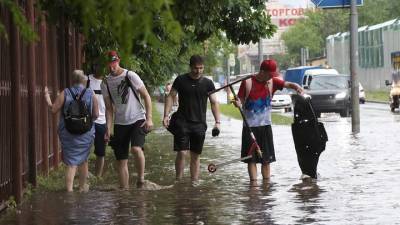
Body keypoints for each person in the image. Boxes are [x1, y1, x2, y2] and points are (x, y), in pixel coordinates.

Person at [233, 59, 303, 184]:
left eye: (273, 75)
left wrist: (296, 87)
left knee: (266, 160)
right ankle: (253, 187)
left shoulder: (272, 82)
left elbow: (288, 84)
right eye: (270, 74)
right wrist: (237, 103)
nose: (272, 77)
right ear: (262, 71)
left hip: (265, 126)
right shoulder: (247, 82)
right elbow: (240, 101)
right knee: (251, 159)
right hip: (250, 127)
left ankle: (266, 187)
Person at [163, 55, 221, 182]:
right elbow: (170, 96)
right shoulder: (181, 80)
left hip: (199, 124)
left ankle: (194, 182)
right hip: (182, 121)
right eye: (196, 68)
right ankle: (178, 181)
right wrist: (166, 115)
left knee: (195, 155)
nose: (198, 71)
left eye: (201, 68)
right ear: (190, 67)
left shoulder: (208, 83)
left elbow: (214, 102)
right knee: (182, 152)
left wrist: (217, 122)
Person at [101, 51, 153, 189]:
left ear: (118, 60)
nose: (112, 67)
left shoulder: (130, 75)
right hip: (120, 123)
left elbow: (146, 96)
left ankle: (141, 179)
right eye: (109, 64)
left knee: (136, 149)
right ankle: (124, 191)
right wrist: (108, 128)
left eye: (114, 63)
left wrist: (149, 119)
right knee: (121, 161)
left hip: (137, 118)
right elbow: (109, 109)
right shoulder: (105, 83)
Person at [44, 70, 99, 192]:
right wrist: (86, 123)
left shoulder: (65, 92)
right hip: (86, 133)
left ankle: (69, 191)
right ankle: (81, 188)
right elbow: (95, 114)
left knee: (71, 163)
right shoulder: (91, 93)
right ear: (84, 80)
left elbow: (53, 109)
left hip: (68, 133)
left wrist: (48, 99)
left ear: (72, 80)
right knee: (83, 161)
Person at [88, 64, 107, 177]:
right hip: (88, 120)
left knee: (101, 152)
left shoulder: (108, 81)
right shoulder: (87, 79)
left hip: (102, 121)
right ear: (94, 66)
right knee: (84, 148)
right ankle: (84, 174)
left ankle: (97, 176)